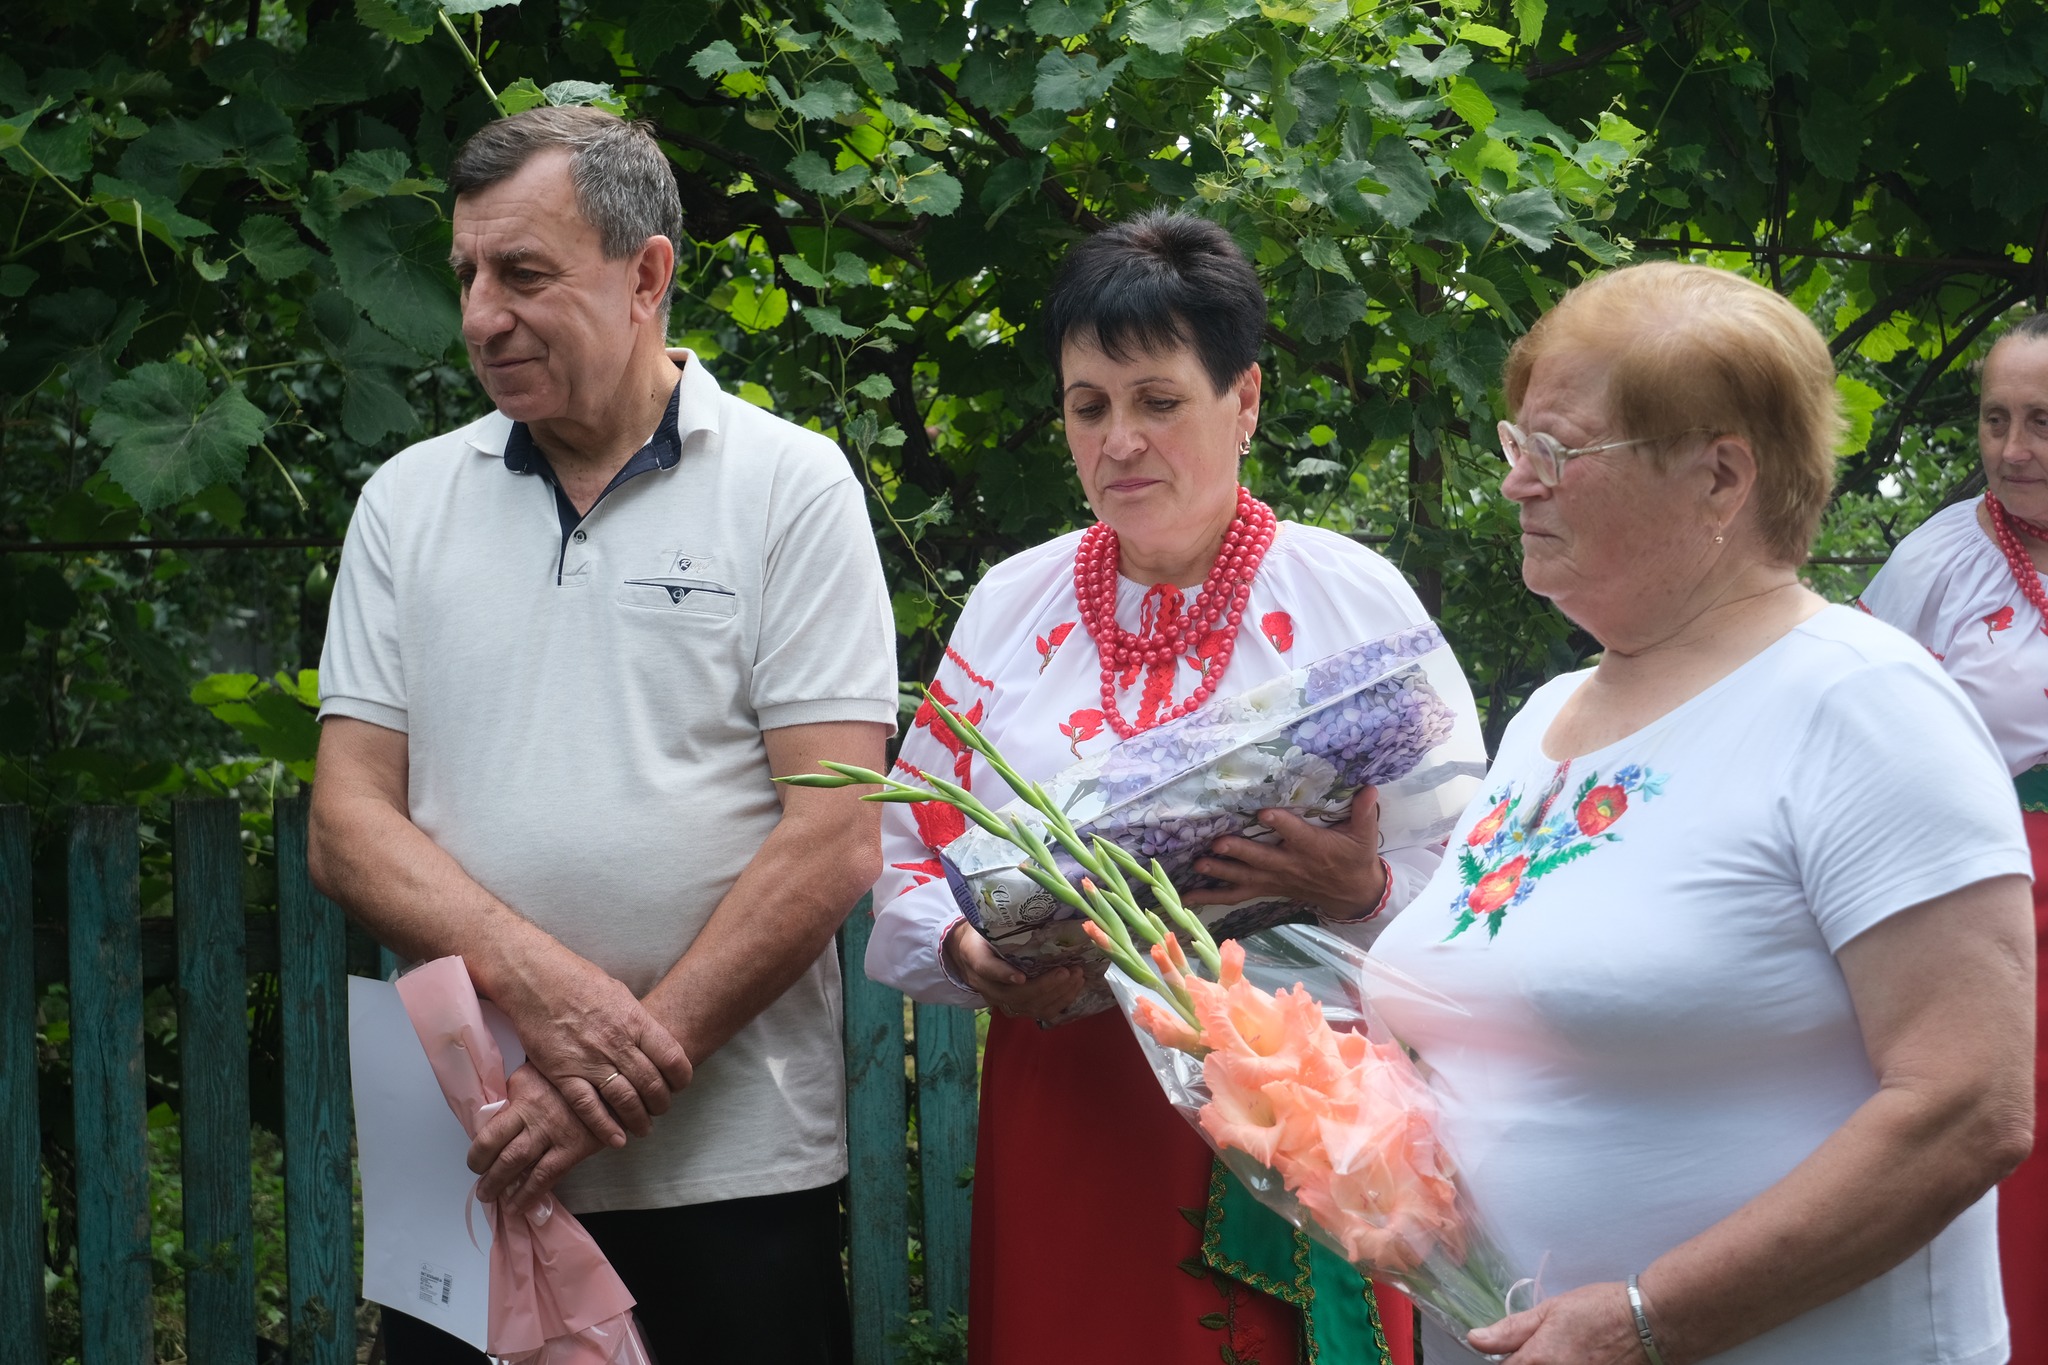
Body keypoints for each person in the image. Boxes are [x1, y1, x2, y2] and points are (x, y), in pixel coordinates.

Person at [308, 106, 897, 1363]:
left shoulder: (790, 486)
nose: (481, 315)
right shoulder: (406, 503)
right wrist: (549, 992)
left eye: (524, 273)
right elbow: (348, 824)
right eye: (467, 273)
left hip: (731, 1171)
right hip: (473, 1159)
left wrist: (606, 1072)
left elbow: (837, 831)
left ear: (646, 275)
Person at [1369, 261, 2036, 1365]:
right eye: (1514, 443)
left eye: (1557, 452)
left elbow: (1968, 1103)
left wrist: (1645, 1320)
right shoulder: (1543, 718)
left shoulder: (1862, 702)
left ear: (1719, 477)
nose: (1516, 484)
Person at [866, 210, 1481, 1365]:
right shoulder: (1011, 608)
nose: (1119, 441)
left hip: (1299, 1111)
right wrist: (961, 948)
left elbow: (1472, 895)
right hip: (1071, 1106)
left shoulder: (1351, 602)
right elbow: (904, 857)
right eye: (1086, 405)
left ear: (1242, 400)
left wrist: (1355, 890)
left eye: (1157, 401)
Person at [1858, 311, 2048, 1365]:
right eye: (1994, 418)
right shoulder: (1935, 562)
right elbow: (1858, 737)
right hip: (1996, 901)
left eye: (2041, 422)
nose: (2012, 448)